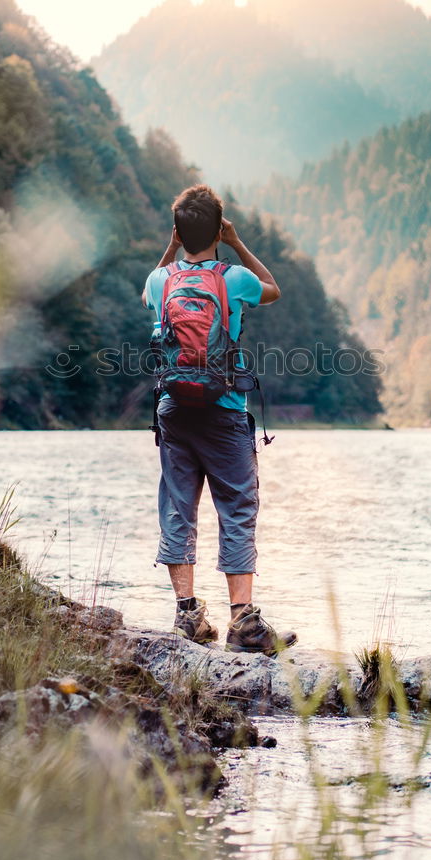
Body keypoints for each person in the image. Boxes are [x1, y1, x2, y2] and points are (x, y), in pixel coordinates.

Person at [142, 184, 297, 656]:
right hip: (224, 410)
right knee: (236, 509)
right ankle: (243, 624)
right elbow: (273, 288)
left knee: (177, 507)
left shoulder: (159, 280)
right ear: (218, 228)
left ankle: (188, 616)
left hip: (173, 409)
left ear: (177, 230)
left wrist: (173, 247)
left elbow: (151, 282)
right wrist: (236, 243)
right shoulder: (234, 278)